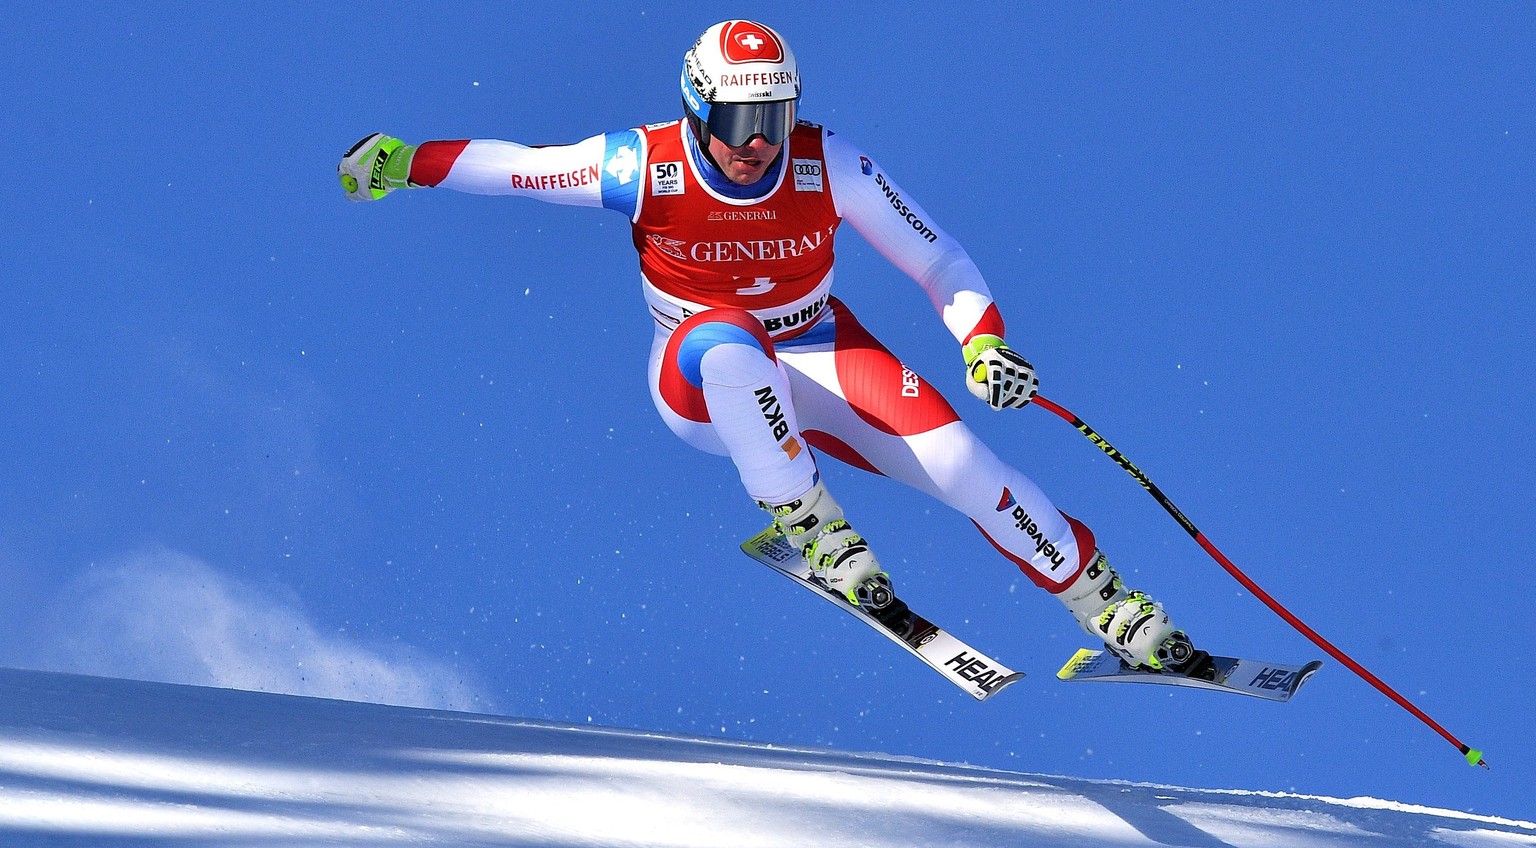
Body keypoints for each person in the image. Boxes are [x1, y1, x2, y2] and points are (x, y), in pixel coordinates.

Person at [338, 19, 1196, 671]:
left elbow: (938, 257)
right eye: (740, 117)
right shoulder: (644, 166)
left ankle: (1107, 604)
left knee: (965, 463)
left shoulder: (830, 166)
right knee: (729, 336)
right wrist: (406, 161)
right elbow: (517, 165)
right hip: (703, 379)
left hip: (822, 350)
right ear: (697, 106)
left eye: (774, 117)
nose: (757, 142)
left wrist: (981, 341)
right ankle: (813, 524)